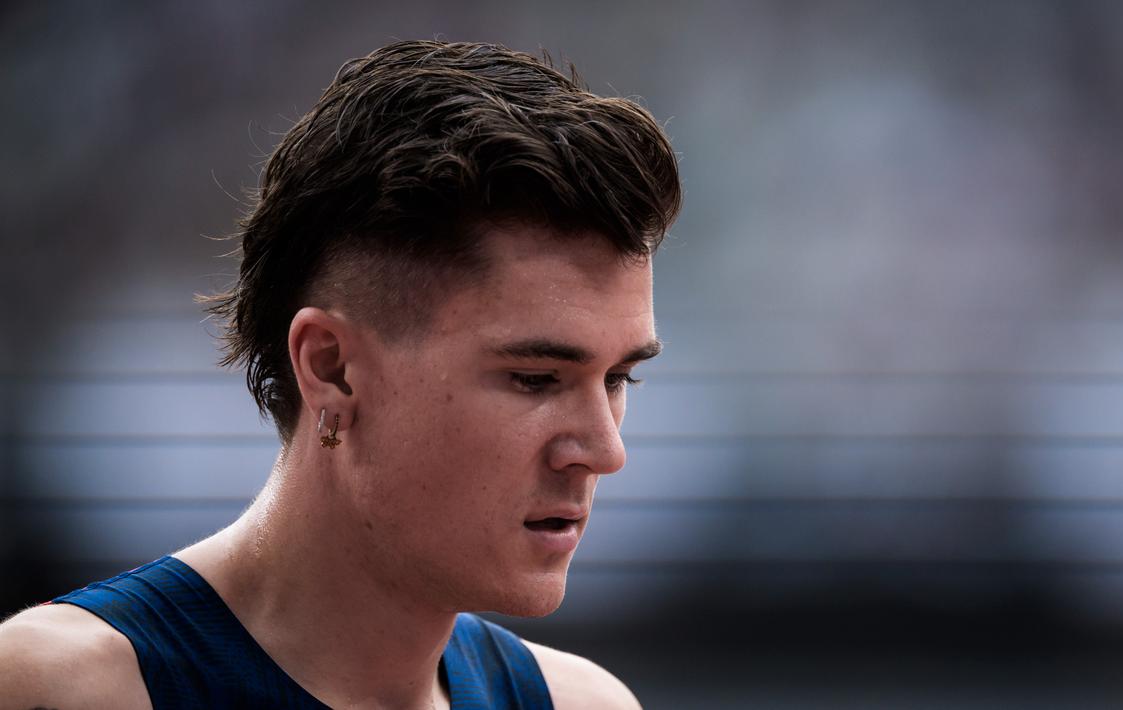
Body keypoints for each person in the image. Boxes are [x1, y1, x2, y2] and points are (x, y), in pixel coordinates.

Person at [0, 39, 680, 709]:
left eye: (618, 378)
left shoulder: (581, 702)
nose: (605, 451)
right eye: (536, 379)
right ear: (332, 368)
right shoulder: (59, 687)